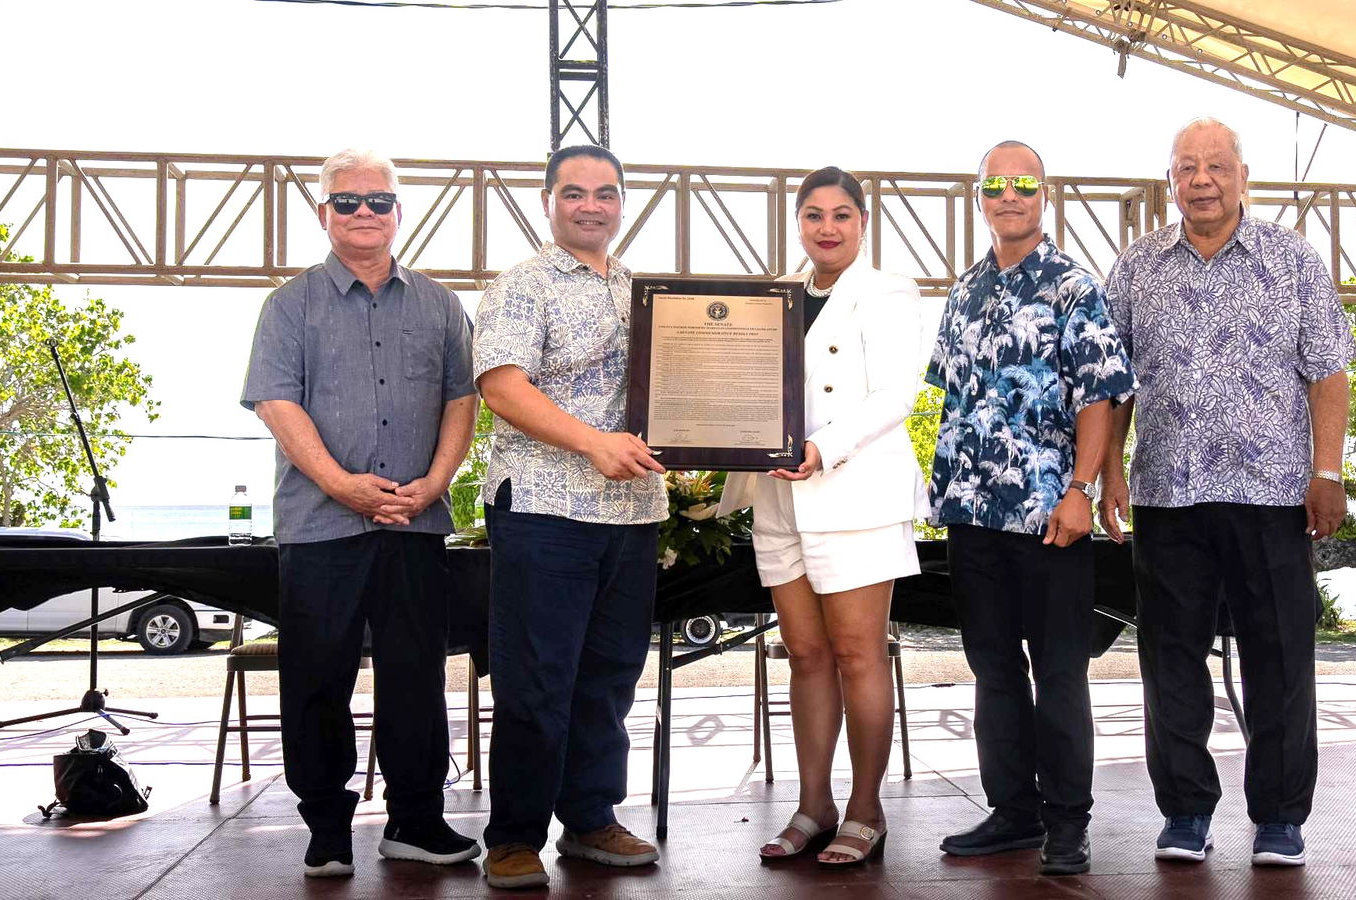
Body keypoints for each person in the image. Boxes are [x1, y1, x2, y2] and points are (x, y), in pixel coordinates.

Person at [1099, 117, 1354, 868]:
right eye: (1186, 167)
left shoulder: (1293, 260)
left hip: (1272, 494)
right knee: (1169, 660)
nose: (1201, 179)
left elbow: (1328, 370)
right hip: (1167, 497)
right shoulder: (1138, 266)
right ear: (1170, 181)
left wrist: (1328, 472)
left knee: (1280, 658)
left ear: (1243, 175)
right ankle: (1184, 812)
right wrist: (1109, 469)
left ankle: (1279, 818)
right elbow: (1114, 385)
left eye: (1216, 166)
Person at [241, 148, 481, 878]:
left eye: (378, 201)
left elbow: (462, 401)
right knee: (317, 678)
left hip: (415, 522)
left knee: (416, 677)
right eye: (347, 202)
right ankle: (327, 827)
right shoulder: (289, 305)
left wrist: (435, 481)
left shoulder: (440, 304)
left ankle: (416, 820)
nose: (364, 213)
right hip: (321, 527)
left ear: (398, 212)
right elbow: (277, 404)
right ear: (324, 214)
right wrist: (342, 484)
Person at [927, 141, 1136, 876]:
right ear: (980, 196)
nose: (1009, 195)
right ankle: (1012, 811)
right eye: (996, 185)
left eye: (1024, 184)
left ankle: (1067, 822)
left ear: (1044, 194)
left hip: (1050, 515)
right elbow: (949, 393)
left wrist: (1082, 488)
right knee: (992, 669)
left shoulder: (1074, 287)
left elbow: (1102, 395)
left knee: (1059, 670)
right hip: (972, 515)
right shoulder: (964, 291)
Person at [716, 166, 934, 866]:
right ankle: (814, 806)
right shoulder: (775, 296)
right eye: (814, 214)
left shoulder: (889, 293)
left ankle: (866, 810)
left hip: (856, 496)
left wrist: (823, 448)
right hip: (780, 499)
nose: (828, 227)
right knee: (804, 656)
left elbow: (897, 394)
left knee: (857, 656)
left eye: (842, 214)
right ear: (798, 223)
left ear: (863, 223)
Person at [472, 144, 667, 890]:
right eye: (575, 192)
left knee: (610, 679)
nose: (592, 205)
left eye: (606, 193)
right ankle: (515, 836)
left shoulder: (640, 290)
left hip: (633, 512)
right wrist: (592, 443)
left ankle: (589, 820)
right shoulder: (522, 284)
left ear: (623, 202)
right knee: (535, 681)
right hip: (546, 509)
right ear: (548, 201)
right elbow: (501, 386)